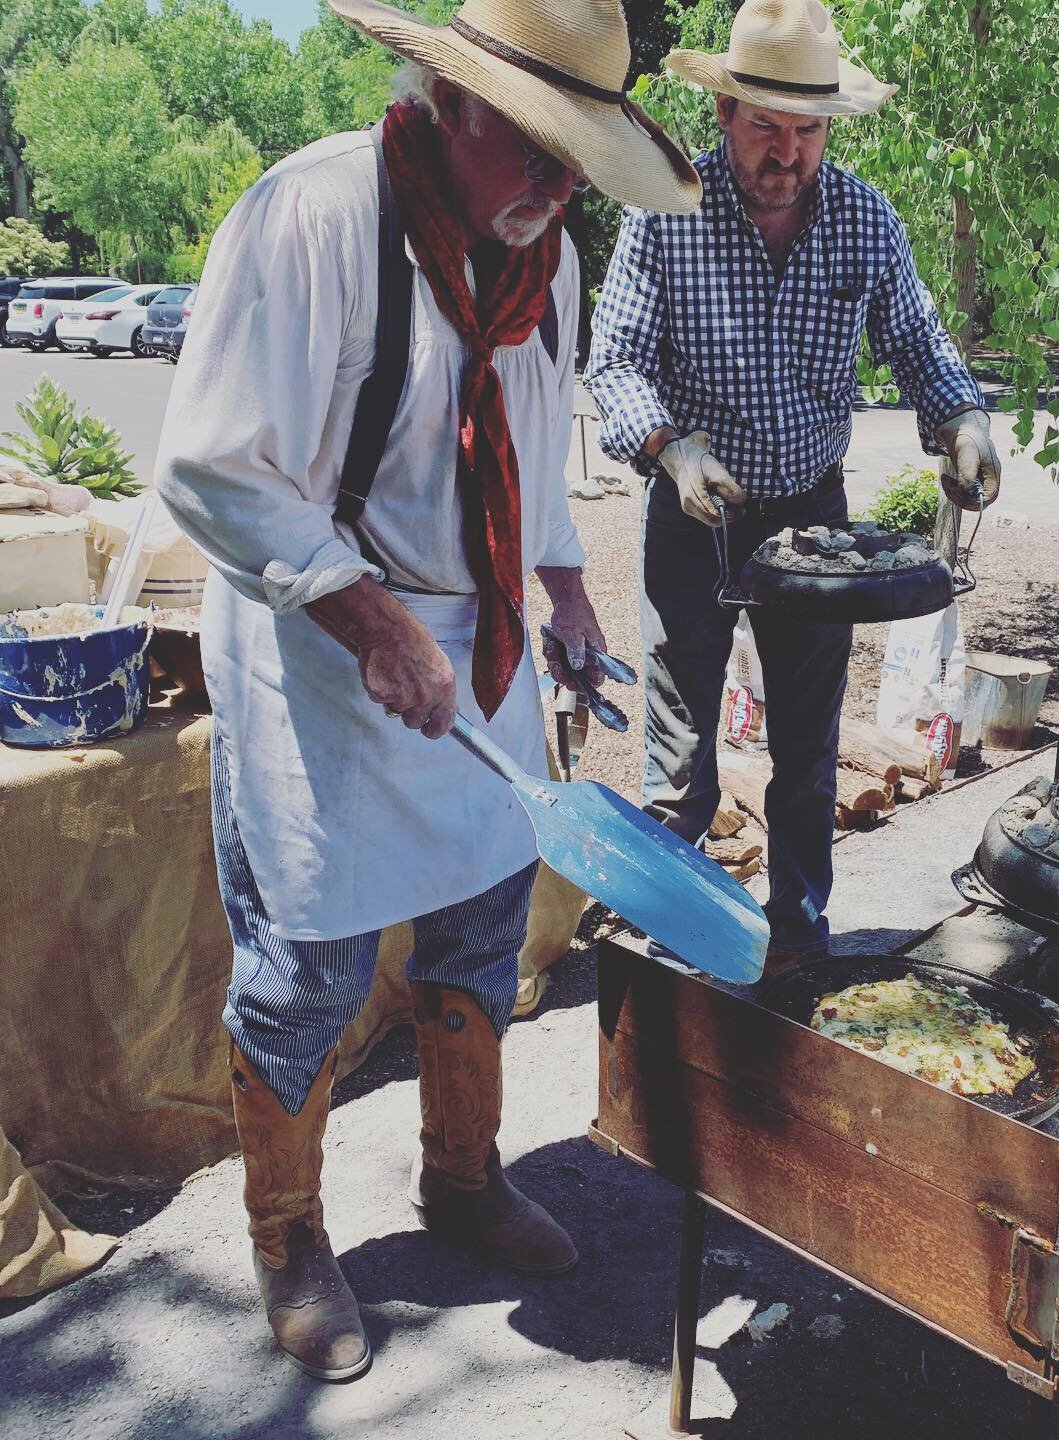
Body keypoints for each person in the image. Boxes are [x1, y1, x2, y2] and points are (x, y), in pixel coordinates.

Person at [154, 0, 699, 1382]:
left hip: (487, 645)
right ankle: (287, 1232)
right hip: (316, 643)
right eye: (539, 148)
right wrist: (369, 616)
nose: (561, 186)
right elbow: (215, 467)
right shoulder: (314, 220)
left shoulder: (551, 258)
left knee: (481, 922)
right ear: (450, 101)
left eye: (582, 159)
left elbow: (531, 446)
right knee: (309, 969)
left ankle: (460, 1178)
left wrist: (567, 594)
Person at [584, 0, 1000, 972]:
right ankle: (668, 955)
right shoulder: (664, 211)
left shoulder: (863, 218)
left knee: (808, 759)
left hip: (816, 524)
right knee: (679, 768)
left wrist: (966, 421)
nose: (786, 152)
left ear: (828, 128)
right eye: (765, 127)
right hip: (694, 518)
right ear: (724, 116)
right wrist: (667, 445)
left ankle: (799, 943)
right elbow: (614, 362)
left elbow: (919, 343)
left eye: (804, 131)